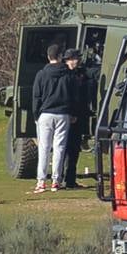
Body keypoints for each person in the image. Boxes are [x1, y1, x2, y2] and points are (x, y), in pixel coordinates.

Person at [30, 43, 77, 192]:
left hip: (46, 114)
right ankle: (56, 180)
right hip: (63, 114)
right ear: (60, 56)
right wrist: (73, 113)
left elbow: (36, 96)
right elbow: (73, 96)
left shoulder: (42, 74)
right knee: (59, 148)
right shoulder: (68, 74)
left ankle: (41, 181)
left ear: (48, 56)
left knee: (44, 148)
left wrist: (36, 114)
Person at [61, 48, 92, 189]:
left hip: (78, 116)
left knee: (73, 150)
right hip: (66, 115)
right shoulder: (64, 75)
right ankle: (61, 178)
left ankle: (70, 179)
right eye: (74, 58)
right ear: (68, 60)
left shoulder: (82, 74)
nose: (77, 61)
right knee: (62, 149)